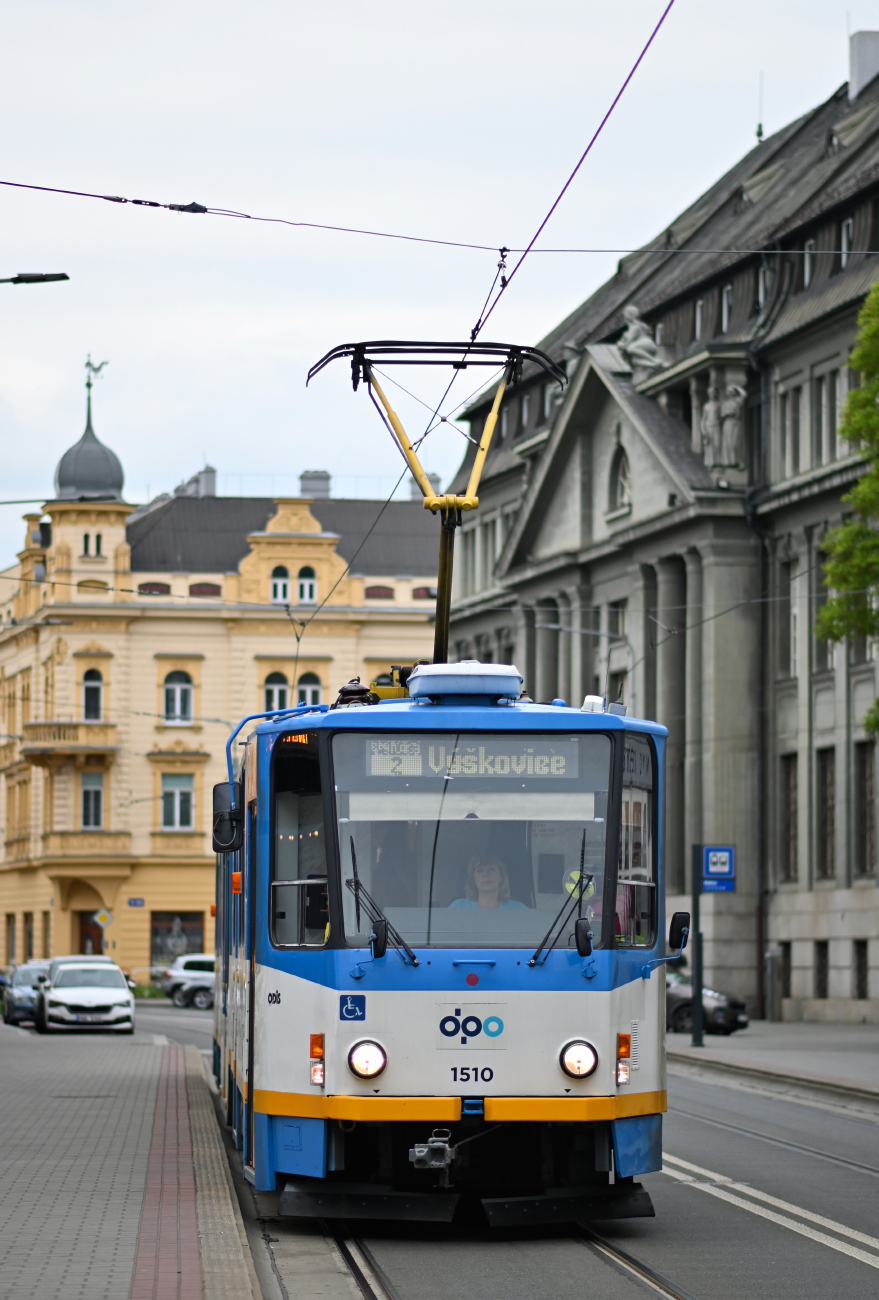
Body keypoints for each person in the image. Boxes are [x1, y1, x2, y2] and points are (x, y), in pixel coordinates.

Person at [449, 853, 527, 910]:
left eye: (491, 870)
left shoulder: (519, 909)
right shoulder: (458, 907)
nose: (486, 874)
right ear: (473, 879)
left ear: (501, 877)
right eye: (480, 871)